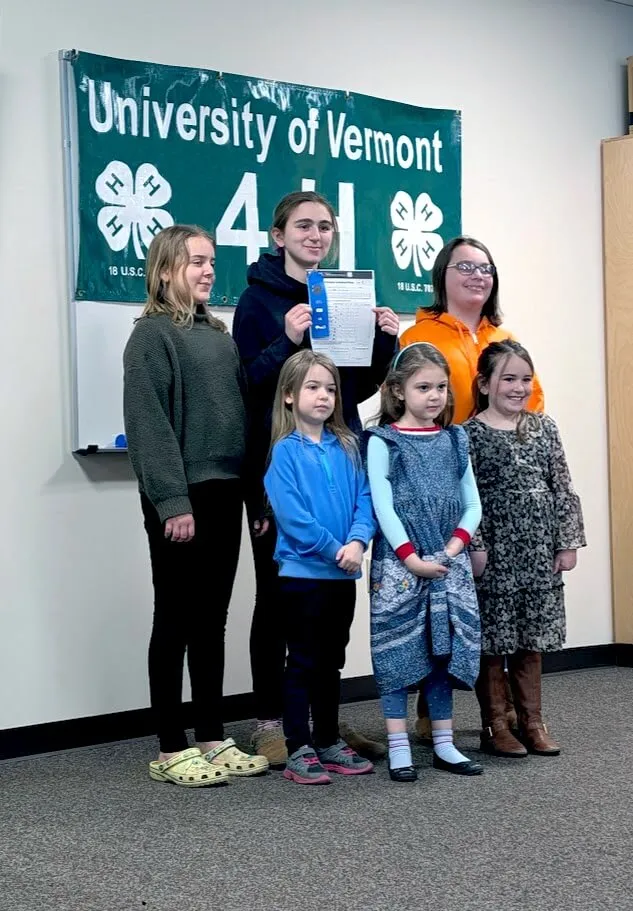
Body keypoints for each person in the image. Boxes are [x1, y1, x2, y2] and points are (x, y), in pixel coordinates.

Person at [233, 190, 398, 765]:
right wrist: (287, 338)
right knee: (277, 602)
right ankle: (272, 722)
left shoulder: (341, 294)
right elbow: (250, 384)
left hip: (339, 456)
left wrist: (384, 339)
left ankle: (320, 728)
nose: (315, 235)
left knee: (328, 622)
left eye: (324, 227)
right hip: (280, 467)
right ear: (279, 236)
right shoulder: (256, 301)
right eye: (303, 226)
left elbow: (351, 388)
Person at [123, 224, 269, 787]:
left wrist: (254, 494)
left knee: (212, 620)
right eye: (195, 263)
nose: (209, 271)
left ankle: (210, 735)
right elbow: (149, 427)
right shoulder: (151, 337)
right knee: (177, 617)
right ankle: (169, 747)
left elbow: (243, 418)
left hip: (226, 490)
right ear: (164, 272)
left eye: (211, 262)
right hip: (180, 497)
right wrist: (171, 501)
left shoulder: (220, 334)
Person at [399, 235, 544, 738]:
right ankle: (427, 713)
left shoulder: (503, 338)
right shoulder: (419, 335)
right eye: (465, 266)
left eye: (485, 268)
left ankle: (501, 719)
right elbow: (410, 405)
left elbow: (534, 411)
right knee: (433, 597)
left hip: (503, 486)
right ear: (443, 275)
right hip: (439, 480)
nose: (477, 275)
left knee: (496, 604)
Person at [366, 342, 483, 782]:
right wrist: (411, 558)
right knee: (397, 651)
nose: (434, 396)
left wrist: (451, 550)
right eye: (422, 387)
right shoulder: (383, 442)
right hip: (401, 567)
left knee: (442, 651)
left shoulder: (455, 439)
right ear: (398, 391)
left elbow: (472, 504)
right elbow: (385, 507)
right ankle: (398, 745)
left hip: (447, 563)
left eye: (440, 387)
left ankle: (444, 743)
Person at [464, 340, 585, 757]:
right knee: (494, 640)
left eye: (525, 379)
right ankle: (495, 724)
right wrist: (474, 546)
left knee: (532, 638)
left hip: (538, 549)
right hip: (494, 554)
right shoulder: (467, 436)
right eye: (508, 378)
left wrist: (567, 542)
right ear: (484, 383)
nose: (519, 387)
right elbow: (466, 499)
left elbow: (563, 488)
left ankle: (532, 721)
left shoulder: (544, 427)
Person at [264, 350, 377, 784]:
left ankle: (328, 739)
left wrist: (357, 540)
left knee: (331, 662)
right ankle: (299, 747)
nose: (323, 396)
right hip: (302, 578)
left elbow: (364, 499)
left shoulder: (348, 446)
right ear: (290, 396)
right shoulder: (284, 453)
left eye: (330, 388)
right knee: (303, 662)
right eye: (312, 387)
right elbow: (293, 518)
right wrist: (334, 549)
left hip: (341, 576)